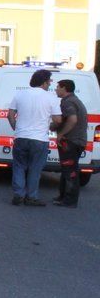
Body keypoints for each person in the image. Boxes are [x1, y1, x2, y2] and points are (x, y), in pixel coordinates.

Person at [8, 69, 62, 206]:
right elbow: (58, 120)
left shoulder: (20, 94)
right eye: (49, 82)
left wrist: (16, 128)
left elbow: (10, 115)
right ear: (44, 82)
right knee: (35, 169)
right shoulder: (51, 98)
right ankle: (31, 197)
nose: (50, 84)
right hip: (39, 139)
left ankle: (18, 194)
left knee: (19, 166)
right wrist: (50, 126)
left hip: (21, 137)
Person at [53, 79, 88, 207]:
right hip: (76, 141)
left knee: (70, 171)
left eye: (58, 87)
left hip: (71, 142)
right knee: (67, 169)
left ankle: (70, 200)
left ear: (64, 88)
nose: (56, 89)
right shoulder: (74, 100)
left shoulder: (68, 102)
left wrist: (60, 134)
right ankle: (63, 196)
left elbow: (72, 120)